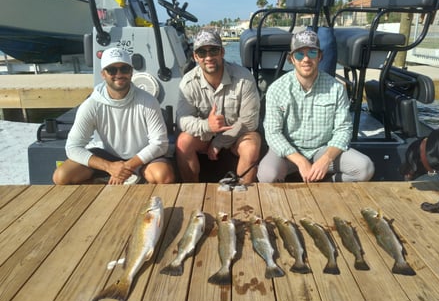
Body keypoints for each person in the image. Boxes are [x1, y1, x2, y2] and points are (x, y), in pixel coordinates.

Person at [257, 30, 374, 183]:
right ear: (291, 59)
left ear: (320, 57)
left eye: (312, 53)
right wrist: (300, 160)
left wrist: (326, 159)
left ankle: (325, 187)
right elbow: (273, 133)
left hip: (323, 149)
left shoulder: (336, 88)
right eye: (299, 54)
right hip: (289, 152)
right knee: (267, 175)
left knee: (365, 168)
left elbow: (343, 130)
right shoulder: (276, 89)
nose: (306, 59)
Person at [53, 47, 175, 185]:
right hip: (107, 157)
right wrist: (109, 167)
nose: (119, 74)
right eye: (112, 70)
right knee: (61, 176)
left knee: (163, 176)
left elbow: (160, 143)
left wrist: (127, 166)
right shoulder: (91, 105)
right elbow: (72, 147)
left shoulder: (148, 101)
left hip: (142, 157)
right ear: (103, 74)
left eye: (124, 69)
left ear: (131, 72)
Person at [175, 29, 261, 184]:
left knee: (252, 145)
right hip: (204, 137)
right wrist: (207, 125)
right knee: (183, 142)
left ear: (222, 52)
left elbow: (250, 121)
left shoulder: (244, 78)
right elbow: (182, 120)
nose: (208, 57)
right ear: (195, 57)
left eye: (213, 50)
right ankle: (192, 191)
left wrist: (219, 142)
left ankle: (244, 196)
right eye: (202, 52)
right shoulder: (187, 83)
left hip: (237, 136)